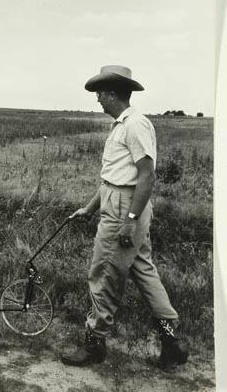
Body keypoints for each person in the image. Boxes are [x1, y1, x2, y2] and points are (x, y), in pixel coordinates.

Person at [61, 65, 188, 370]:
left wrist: (129, 219)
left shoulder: (135, 125)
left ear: (113, 93)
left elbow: (146, 176)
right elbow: (113, 178)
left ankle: (94, 345)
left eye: (100, 94)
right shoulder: (120, 125)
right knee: (143, 269)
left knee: (103, 273)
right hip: (118, 201)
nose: (98, 100)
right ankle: (172, 344)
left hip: (125, 208)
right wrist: (90, 208)